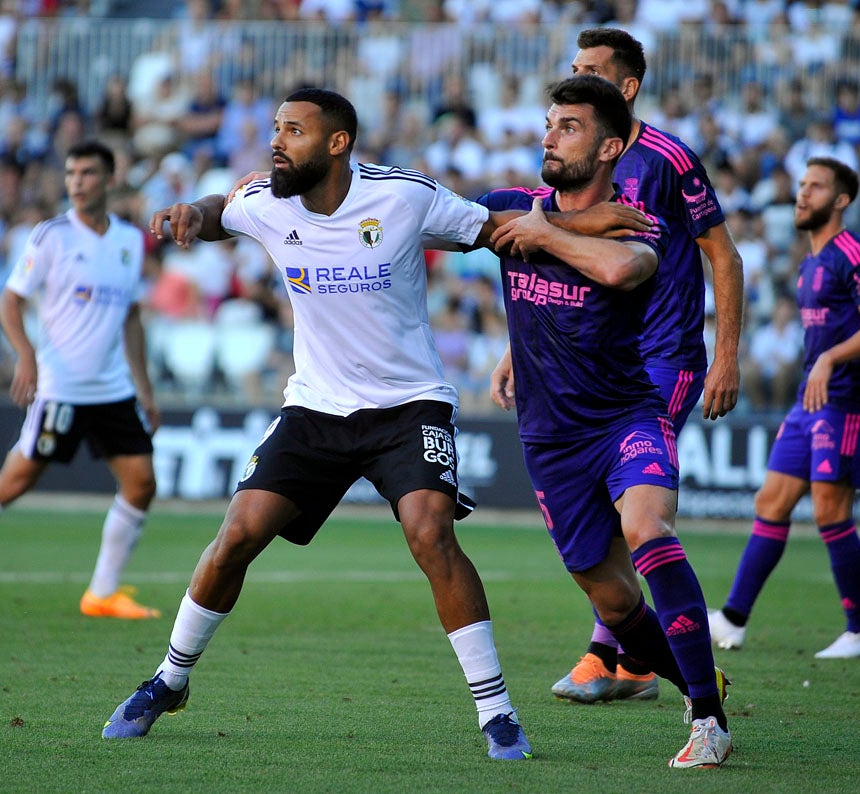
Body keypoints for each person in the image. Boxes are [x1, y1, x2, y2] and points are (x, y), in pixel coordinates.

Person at [100, 87, 538, 760]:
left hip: (408, 404)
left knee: (429, 531)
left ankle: (496, 713)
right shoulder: (266, 201)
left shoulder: (403, 197)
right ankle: (169, 680)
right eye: (276, 128)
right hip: (315, 408)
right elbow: (224, 212)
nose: (278, 140)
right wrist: (194, 211)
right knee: (238, 533)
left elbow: (496, 234)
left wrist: (575, 236)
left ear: (336, 143)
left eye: (294, 130)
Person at [482, 75, 732, 768]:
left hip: (625, 415)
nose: (548, 136)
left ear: (609, 147)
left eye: (568, 127)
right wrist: (541, 224)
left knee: (647, 527)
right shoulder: (509, 207)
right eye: (548, 123)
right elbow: (435, 219)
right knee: (615, 600)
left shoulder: (636, 222)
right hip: (548, 438)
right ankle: (696, 680)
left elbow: (624, 269)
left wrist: (540, 230)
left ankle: (707, 720)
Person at [549, 26, 745, 708]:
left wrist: (724, 357)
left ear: (625, 87)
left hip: (663, 357)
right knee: (608, 514)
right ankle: (629, 663)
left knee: (636, 515)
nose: (577, 78)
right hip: (596, 362)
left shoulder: (665, 159)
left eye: (592, 70)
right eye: (573, 68)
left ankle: (613, 655)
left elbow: (723, 255)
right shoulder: (574, 156)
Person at [0, 140, 162, 621]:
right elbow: (9, 301)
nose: (77, 182)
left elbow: (131, 320)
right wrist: (26, 356)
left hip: (112, 388)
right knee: (16, 480)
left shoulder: (129, 241)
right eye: (71, 173)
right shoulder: (52, 237)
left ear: (109, 180)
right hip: (61, 386)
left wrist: (145, 389)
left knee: (141, 482)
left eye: (87, 173)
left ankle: (102, 593)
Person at [709, 157, 860, 659]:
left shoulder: (853, 252)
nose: (802, 194)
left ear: (841, 200)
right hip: (810, 402)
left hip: (848, 401)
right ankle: (732, 619)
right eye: (801, 185)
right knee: (771, 502)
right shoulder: (810, 262)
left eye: (816, 187)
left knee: (829, 509)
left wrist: (830, 359)